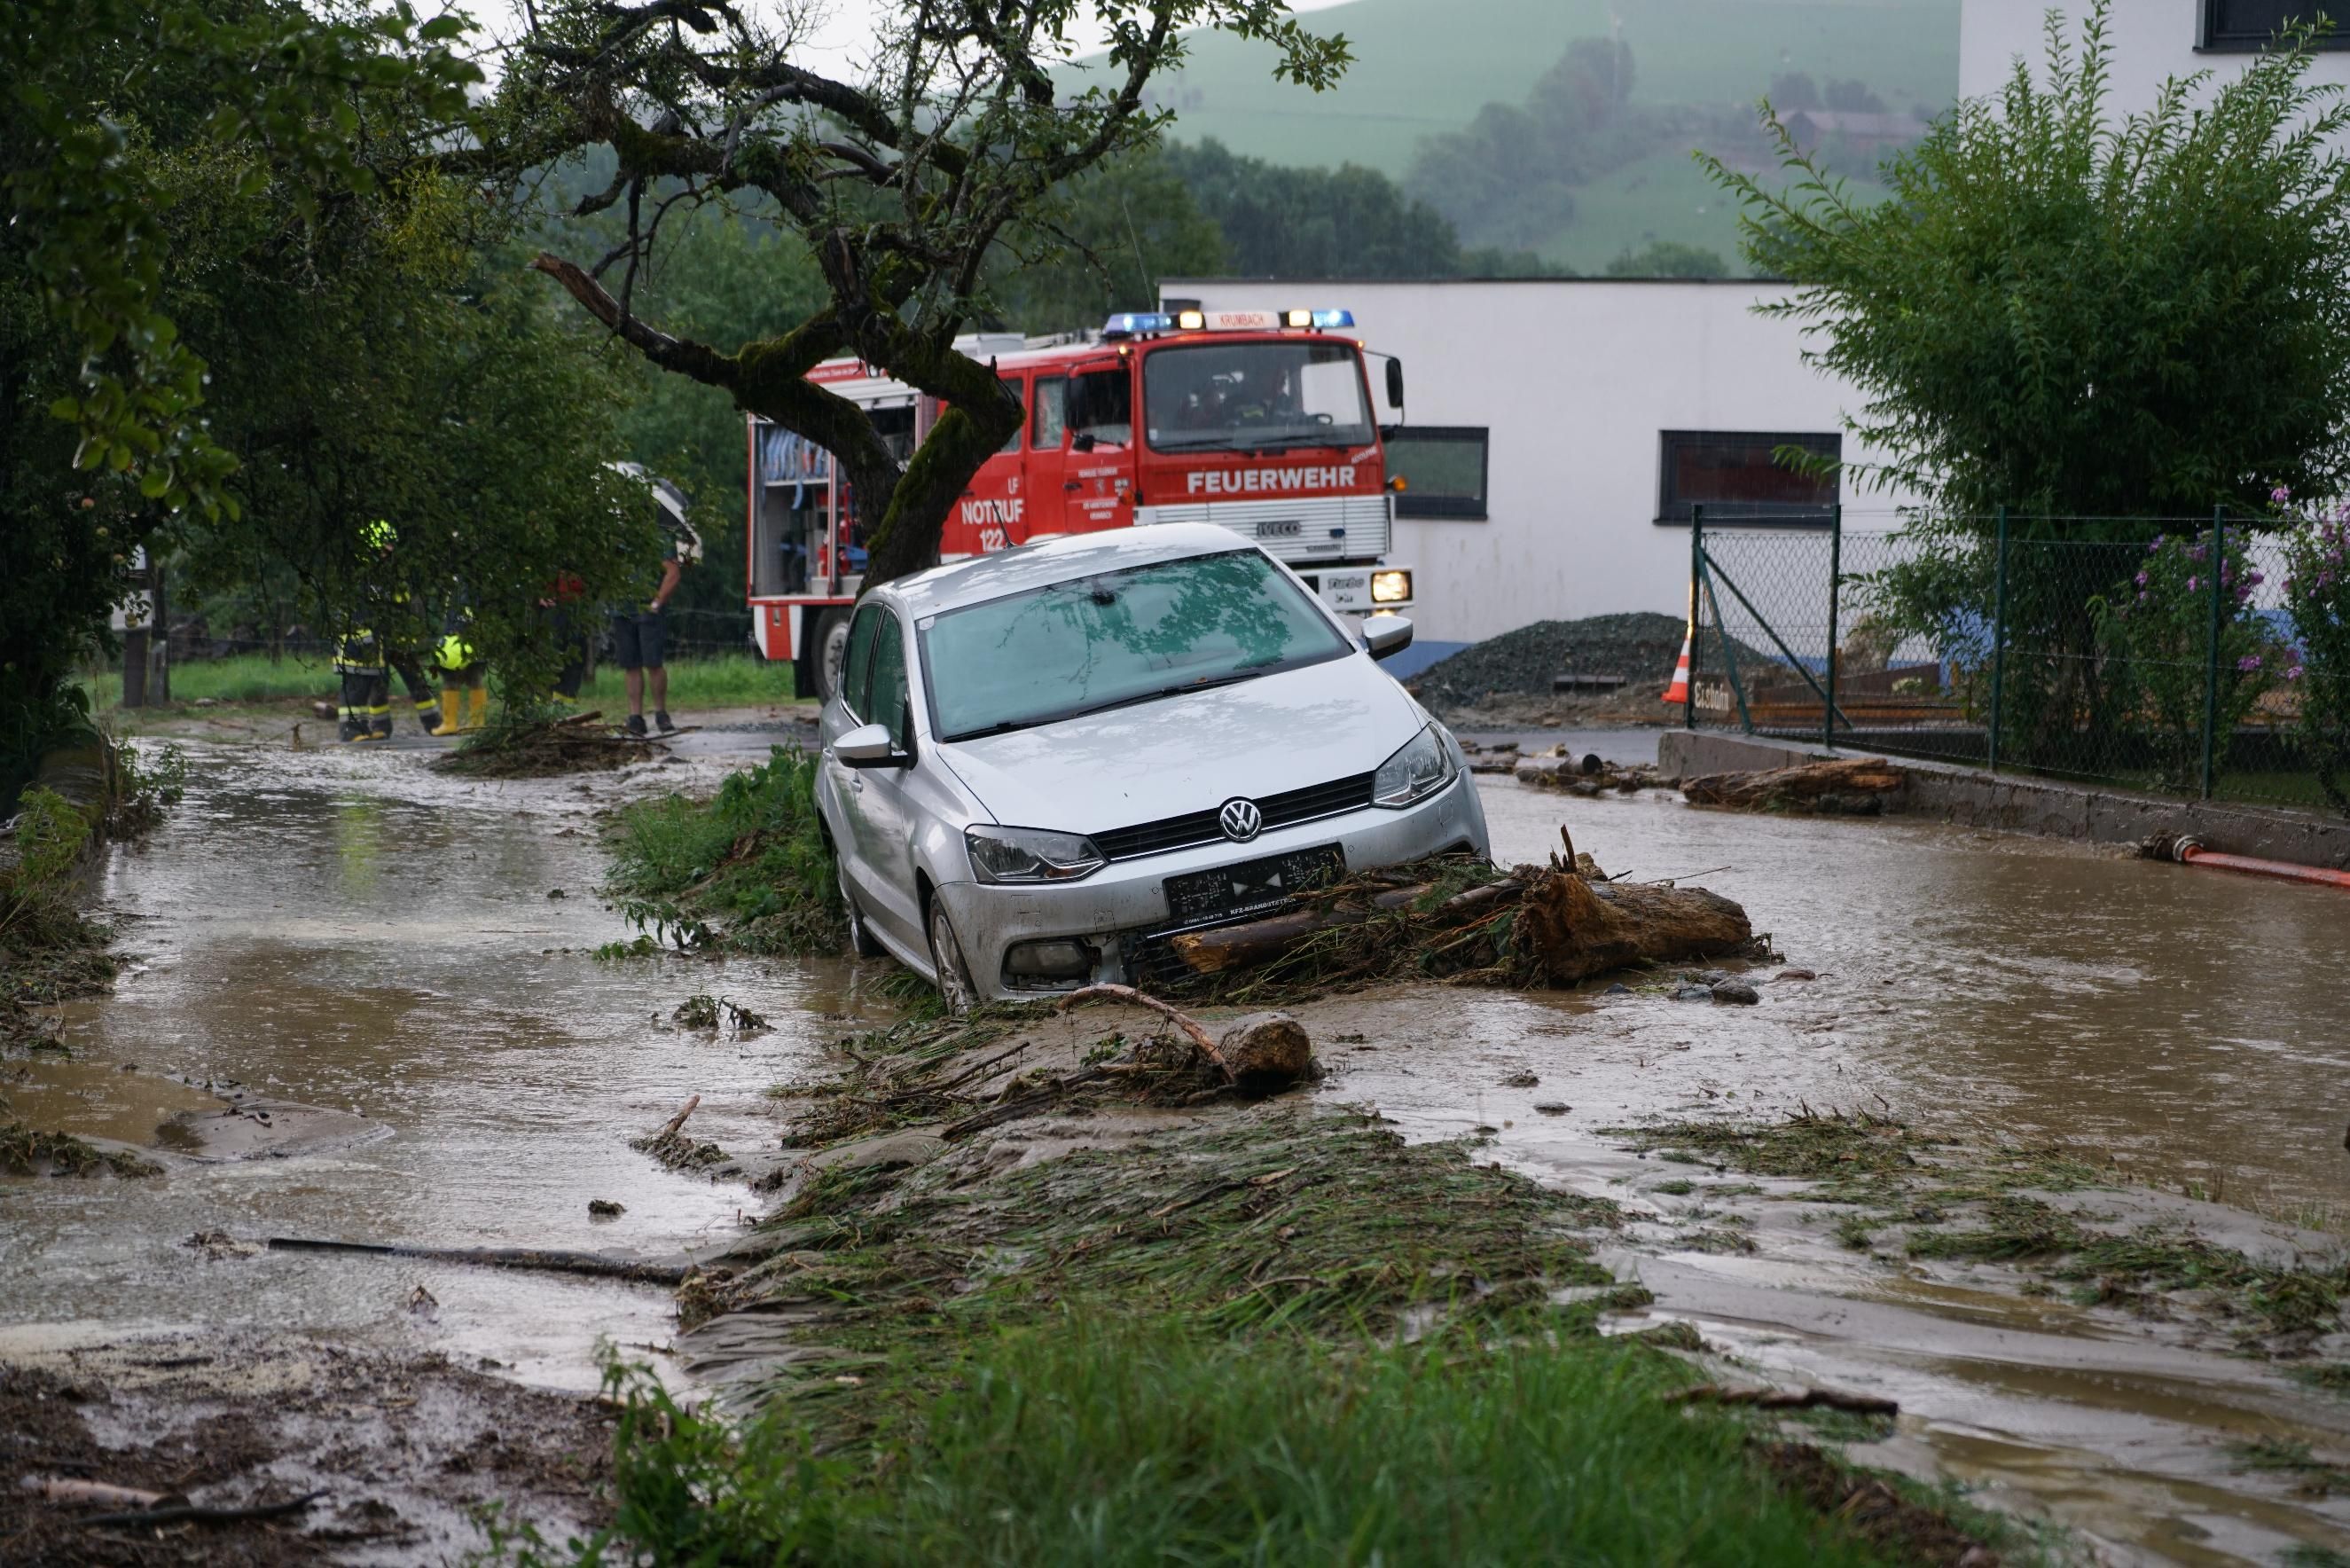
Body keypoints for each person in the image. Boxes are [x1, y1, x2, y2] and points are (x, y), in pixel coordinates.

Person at [607, 466, 701, 738]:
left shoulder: (655, 538)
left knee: (653, 663)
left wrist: (657, 603)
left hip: (647, 609)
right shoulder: (614, 538)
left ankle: (660, 712)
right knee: (630, 665)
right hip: (622, 608)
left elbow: (672, 573)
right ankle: (635, 716)